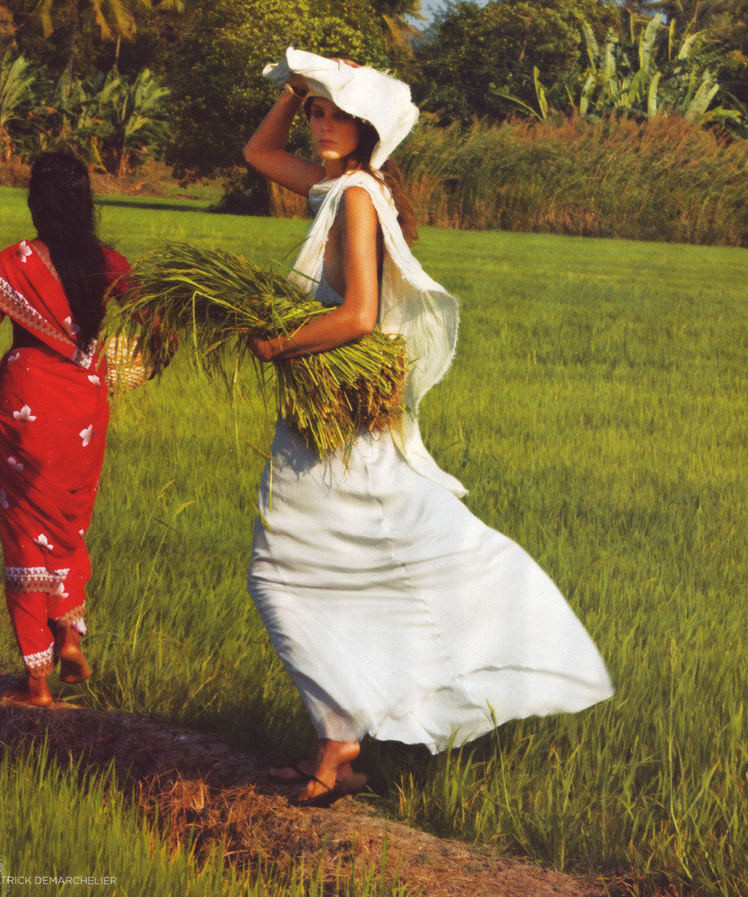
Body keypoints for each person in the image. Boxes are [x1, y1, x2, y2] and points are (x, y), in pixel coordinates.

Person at [244, 49, 613, 807]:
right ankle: (336, 745)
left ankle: (341, 738)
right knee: (330, 568)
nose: (320, 122)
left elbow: (357, 314)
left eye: (333, 111)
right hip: (332, 414)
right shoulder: (346, 186)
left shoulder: (350, 196)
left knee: (282, 573)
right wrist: (293, 88)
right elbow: (255, 153)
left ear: (366, 126)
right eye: (317, 111)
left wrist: (277, 344)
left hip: (336, 420)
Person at [0, 151, 133, 707]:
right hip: (85, 408)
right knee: (69, 521)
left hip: (26, 405)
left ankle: (36, 681)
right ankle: (70, 636)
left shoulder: (12, 262)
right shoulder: (112, 264)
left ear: (37, 201)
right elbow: (161, 329)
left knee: (26, 528)